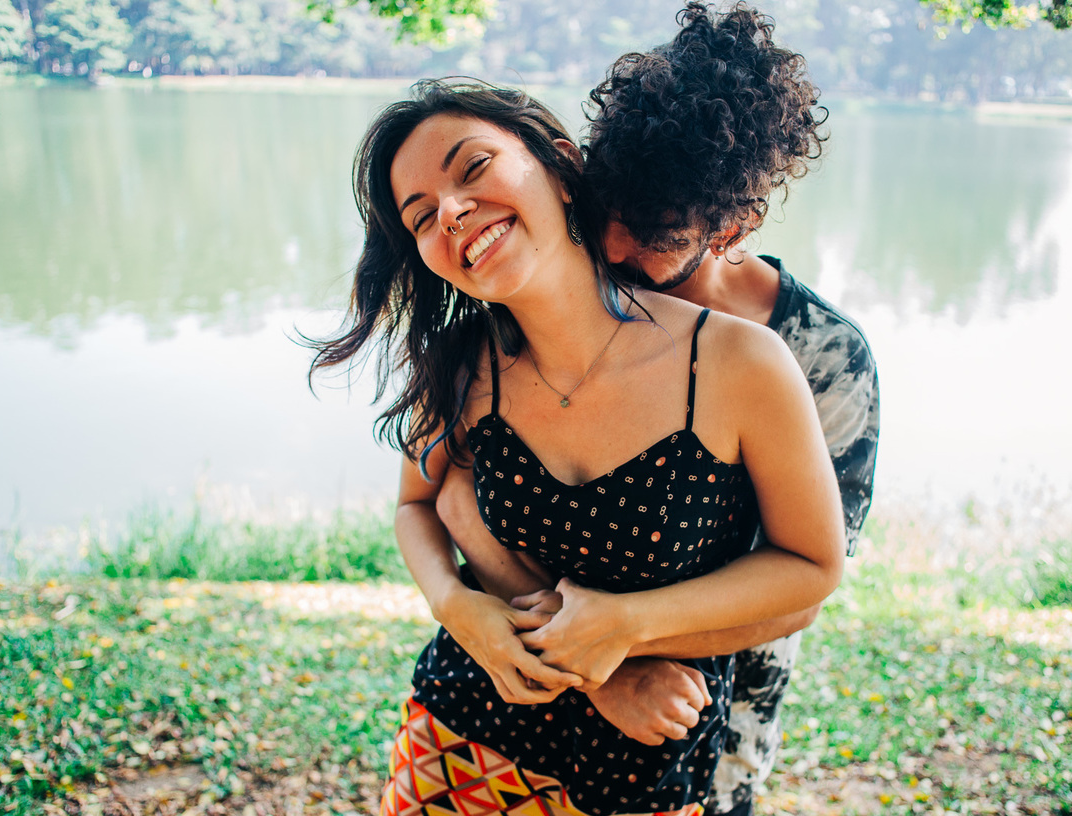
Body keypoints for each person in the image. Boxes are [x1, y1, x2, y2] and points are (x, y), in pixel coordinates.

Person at [310, 77, 845, 816]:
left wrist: (626, 627)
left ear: (561, 167)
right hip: (460, 740)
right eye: (422, 217)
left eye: (473, 168)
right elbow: (418, 506)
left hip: (639, 770)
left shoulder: (738, 363)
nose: (453, 212)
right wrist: (456, 606)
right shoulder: (458, 363)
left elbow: (810, 568)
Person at [438, 5, 880, 816]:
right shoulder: (561, 293)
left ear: (732, 229)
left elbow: (802, 585)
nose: (614, 250)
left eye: (657, 233)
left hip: (706, 700)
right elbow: (457, 491)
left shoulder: (822, 357)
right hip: (525, 695)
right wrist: (589, 662)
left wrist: (624, 644)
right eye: (606, 210)